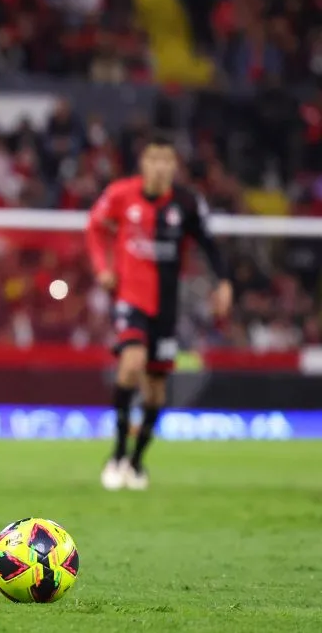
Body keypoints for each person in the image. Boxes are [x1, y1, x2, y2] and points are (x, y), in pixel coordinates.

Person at [86, 133, 232, 491]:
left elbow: (209, 244)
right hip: (130, 299)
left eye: (167, 160)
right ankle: (118, 454)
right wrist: (102, 268)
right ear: (143, 163)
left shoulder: (185, 202)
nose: (161, 166)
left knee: (154, 390)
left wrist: (223, 282)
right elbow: (95, 228)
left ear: (174, 166)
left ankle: (137, 461)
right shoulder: (121, 194)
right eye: (154, 159)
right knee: (130, 364)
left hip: (166, 306)